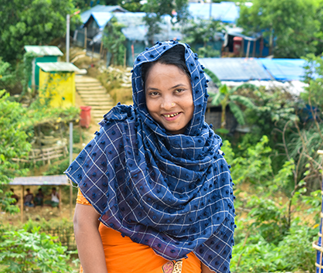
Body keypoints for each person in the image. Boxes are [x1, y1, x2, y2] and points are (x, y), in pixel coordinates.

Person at [65, 41, 235, 273]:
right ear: (142, 96)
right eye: (154, 94)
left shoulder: (213, 164)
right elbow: (83, 221)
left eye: (178, 91)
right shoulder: (119, 138)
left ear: (196, 89)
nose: (167, 104)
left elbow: (214, 251)